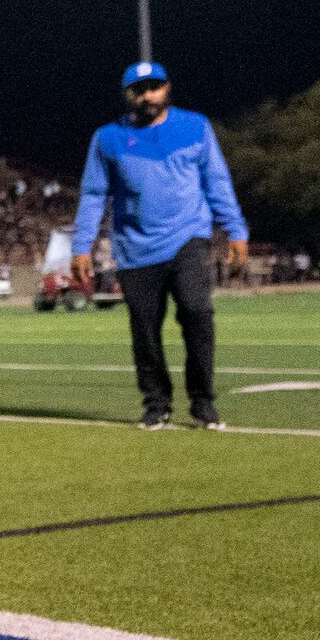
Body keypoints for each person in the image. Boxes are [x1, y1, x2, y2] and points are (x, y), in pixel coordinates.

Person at [69, 63, 249, 430]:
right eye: (139, 89)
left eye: (154, 87)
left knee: (197, 312)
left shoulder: (195, 126)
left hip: (189, 237)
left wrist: (236, 230)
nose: (147, 95)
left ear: (167, 88)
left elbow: (217, 180)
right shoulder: (107, 138)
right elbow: (92, 194)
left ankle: (202, 403)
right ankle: (156, 404)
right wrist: (81, 245)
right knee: (145, 328)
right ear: (128, 95)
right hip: (135, 248)